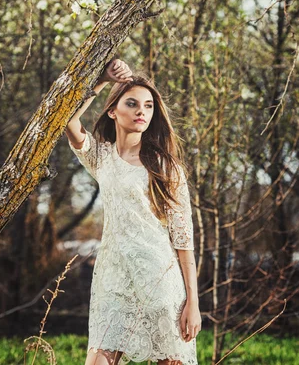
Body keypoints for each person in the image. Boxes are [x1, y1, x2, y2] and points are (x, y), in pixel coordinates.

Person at [65, 58, 202, 365]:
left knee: (170, 361)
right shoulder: (102, 157)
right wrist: (101, 80)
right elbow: (70, 123)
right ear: (113, 110)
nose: (142, 111)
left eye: (149, 105)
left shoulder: (167, 166)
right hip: (112, 279)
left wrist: (193, 302)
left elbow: (183, 239)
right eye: (132, 103)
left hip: (160, 278)